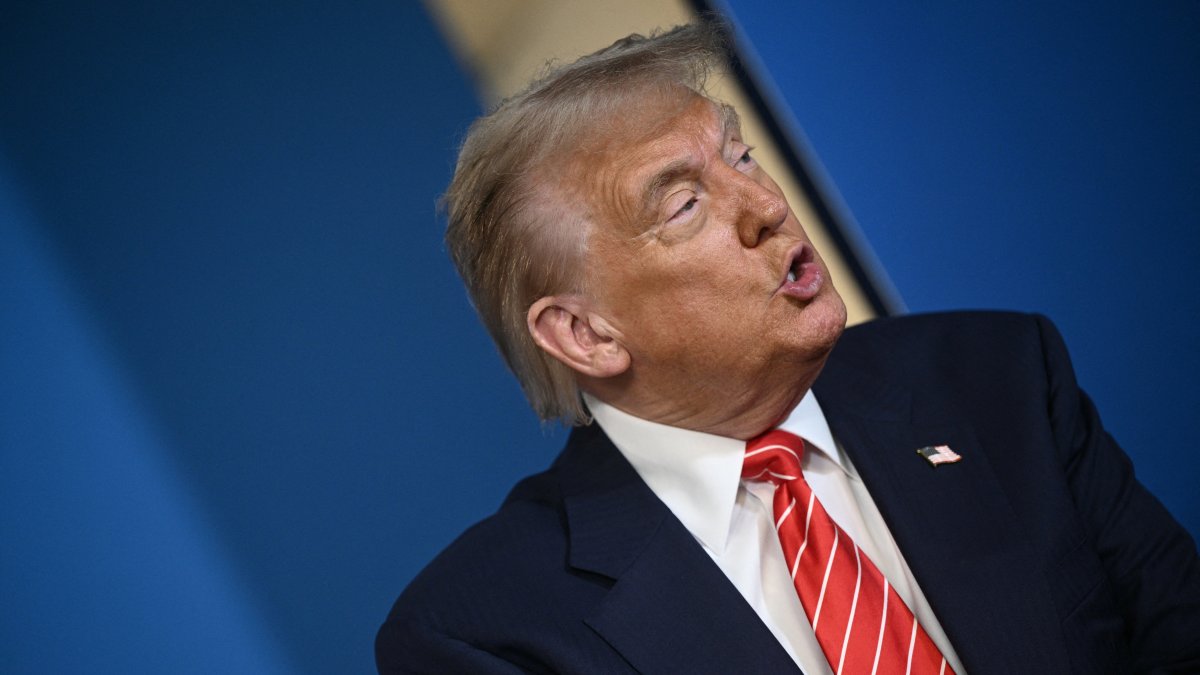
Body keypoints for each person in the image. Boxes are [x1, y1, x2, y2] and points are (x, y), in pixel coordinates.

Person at [376, 24, 1200, 674]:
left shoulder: (997, 376)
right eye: (685, 204)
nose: (766, 204)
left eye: (741, 155)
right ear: (586, 334)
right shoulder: (484, 630)